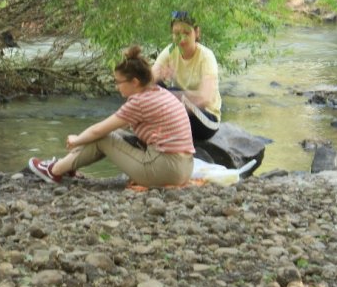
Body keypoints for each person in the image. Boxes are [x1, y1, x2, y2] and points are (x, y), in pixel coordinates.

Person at [28, 45, 195, 188]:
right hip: (184, 168)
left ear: (135, 82)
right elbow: (119, 130)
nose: (116, 87)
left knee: (103, 138)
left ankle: (54, 171)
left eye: (118, 82)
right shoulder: (159, 92)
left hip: (166, 171)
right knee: (119, 135)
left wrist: (76, 140)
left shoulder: (139, 102)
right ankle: (69, 166)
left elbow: (98, 131)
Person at [152, 10, 221, 142]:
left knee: (168, 93)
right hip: (181, 113)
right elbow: (146, 83)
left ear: (197, 33)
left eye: (186, 33)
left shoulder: (206, 56)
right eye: (177, 34)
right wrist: (159, 76)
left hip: (206, 119)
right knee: (155, 87)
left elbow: (205, 98)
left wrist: (174, 97)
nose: (182, 39)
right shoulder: (171, 50)